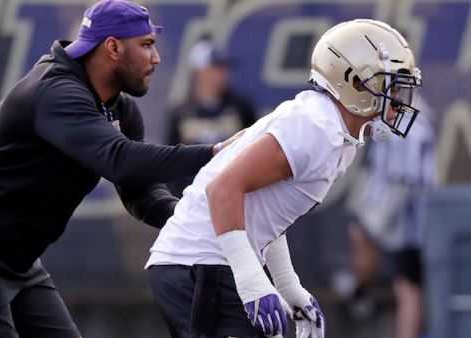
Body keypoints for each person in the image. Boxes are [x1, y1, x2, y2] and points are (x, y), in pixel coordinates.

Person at [0, 1, 234, 337]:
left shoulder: (121, 111)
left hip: (16, 259)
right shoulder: (55, 91)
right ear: (113, 47)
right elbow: (120, 159)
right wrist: (215, 151)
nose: (156, 58)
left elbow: (141, 193)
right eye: (147, 45)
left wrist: (192, 219)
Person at [145, 19, 423, 338]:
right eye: (391, 85)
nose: (398, 99)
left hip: (210, 263)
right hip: (197, 264)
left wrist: (288, 285)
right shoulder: (314, 127)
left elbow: (267, 211)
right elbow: (222, 189)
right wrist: (252, 281)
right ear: (355, 82)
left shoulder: (336, 133)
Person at [346, 94, 436, 338]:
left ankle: (361, 293)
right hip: (403, 219)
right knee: (406, 284)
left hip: (409, 223)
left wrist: (379, 221)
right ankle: (361, 291)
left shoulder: (411, 129)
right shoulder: (395, 123)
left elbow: (404, 180)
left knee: (408, 286)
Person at [166, 37, 257, 196]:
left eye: (224, 68)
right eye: (215, 68)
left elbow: (255, 149)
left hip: (233, 194)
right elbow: (172, 161)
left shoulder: (240, 107)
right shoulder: (181, 113)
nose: (222, 74)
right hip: (192, 196)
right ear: (199, 72)